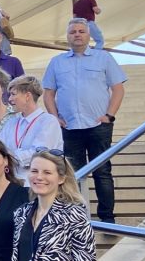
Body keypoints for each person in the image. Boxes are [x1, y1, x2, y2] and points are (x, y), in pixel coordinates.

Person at [43, 18, 126, 222]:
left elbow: (118, 89)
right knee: (73, 175)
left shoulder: (104, 58)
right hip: (70, 127)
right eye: (73, 32)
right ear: (68, 37)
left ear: (89, 36)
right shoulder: (57, 62)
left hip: (99, 126)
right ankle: (78, 218)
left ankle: (107, 218)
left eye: (81, 31)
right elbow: (48, 93)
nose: (77, 34)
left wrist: (109, 115)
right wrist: (55, 118)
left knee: (103, 172)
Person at [1, 74, 63, 185]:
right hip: (10, 185)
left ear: (27, 96)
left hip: (37, 186)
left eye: (13, 94)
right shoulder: (11, 122)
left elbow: (39, 154)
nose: (10, 99)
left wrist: (10, 157)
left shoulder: (48, 121)